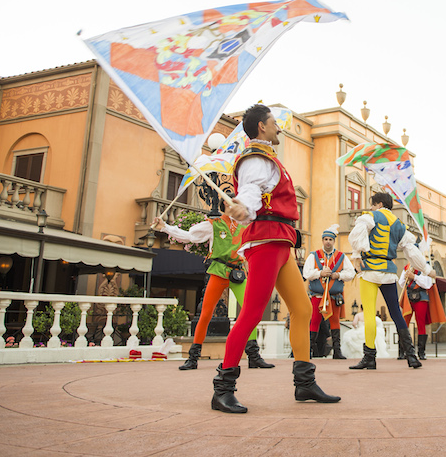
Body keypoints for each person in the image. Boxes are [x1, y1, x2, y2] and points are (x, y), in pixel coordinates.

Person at [212, 104, 340, 413]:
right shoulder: (256, 159)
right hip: (266, 242)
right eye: (274, 123)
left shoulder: (268, 158)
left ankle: (305, 383)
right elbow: (252, 192)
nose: (279, 127)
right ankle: (222, 389)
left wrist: (246, 205)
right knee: (253, 313)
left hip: (281, 243)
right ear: (261, 128)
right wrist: (243, 207)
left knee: (300, 308)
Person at [152, 209, 273, 371]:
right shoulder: (213, 225)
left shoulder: (245, 227)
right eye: (231, 205)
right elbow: (189, 236)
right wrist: (164, 227)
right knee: (205, 313)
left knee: (250, 312)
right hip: (218, 271)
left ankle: (253, 356)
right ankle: (193, 357)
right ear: (225, 207)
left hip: (237, 273)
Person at [347, 191, 432, 370]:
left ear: (378, 204)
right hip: (388, 272)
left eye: (372, 204)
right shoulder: (399, 224)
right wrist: (426, 269)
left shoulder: (371, 216)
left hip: (369, 270)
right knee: (396, 313)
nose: (370, 207)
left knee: (369, 314)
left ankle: (369, 357)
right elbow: (411, 251)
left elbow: (356, 235)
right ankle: (411, 356)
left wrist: (357, 253)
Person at [303, 224, 356, 359]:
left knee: (335, 321)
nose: (328, 242)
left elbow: (350, 273)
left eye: (330, 239)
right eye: (325, 239)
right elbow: (306, 273)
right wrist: (320, 273)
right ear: (322, 240)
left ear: (334, 241)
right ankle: (309, 350)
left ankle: (337, 351)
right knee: (314, 320)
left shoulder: (341, 257)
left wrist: (338, 275)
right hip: (317, 295)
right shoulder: (313, 256)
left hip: (334, 296)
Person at [398, 256, 446, 360]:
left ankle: (421, 352)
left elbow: (427, 284)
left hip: (421, 296)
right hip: (409, 296)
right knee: (404, 322)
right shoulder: (406, 267)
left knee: (421, 323)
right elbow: (401, 283)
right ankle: (402, 351)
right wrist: (406, 276)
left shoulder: (426, 267)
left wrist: (414, 277)